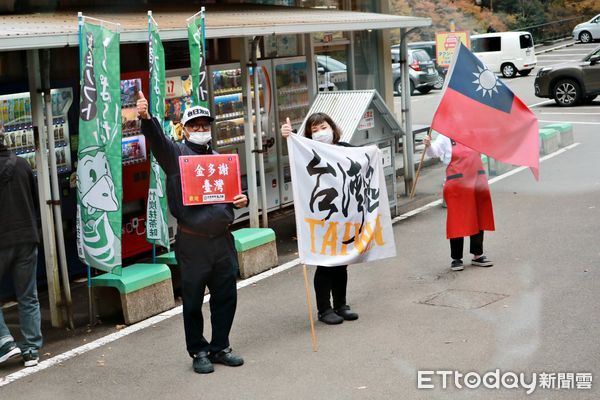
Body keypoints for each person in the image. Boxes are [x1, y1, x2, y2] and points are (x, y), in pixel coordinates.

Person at [136, 92, 248, 374]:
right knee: (194, 300)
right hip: (192, 242)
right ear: (184, 129)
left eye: (205, 125)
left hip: (222, 239)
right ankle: (198, 350)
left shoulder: (220, 160)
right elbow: (159, 144)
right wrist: (147, 119)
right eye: (194, 126)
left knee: (226, 296)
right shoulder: (177, 156)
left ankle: (220, 346)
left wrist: (241, 200)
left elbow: (233, 194)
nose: (200, 130)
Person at [281, 113, 359, 325]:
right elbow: (296, 161)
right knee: (325, 263)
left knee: (342, 262)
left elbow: (362, 161)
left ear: (332, 128)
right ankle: (324, 309)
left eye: (322, 127)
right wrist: (289, 138)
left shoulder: (345, 148)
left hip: (343, 216)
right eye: (314, 131)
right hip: (321, 217)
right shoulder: (309, 153)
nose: (319, 133)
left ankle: (341, 304)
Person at [0, 129, 43, 367]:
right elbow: (34, 201)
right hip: (26, 237)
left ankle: (5, 341)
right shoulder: (23, 165)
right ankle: (31, 350)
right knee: (28, 296)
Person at [424, 133, 495, 271]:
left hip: (477, 181)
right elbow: (434, 151)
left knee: (478, 217)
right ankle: (456, 258)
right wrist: (428, 146)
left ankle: (477, 254)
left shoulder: (474, 132)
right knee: (457, 219)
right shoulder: (445, 136)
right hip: (457, 183)